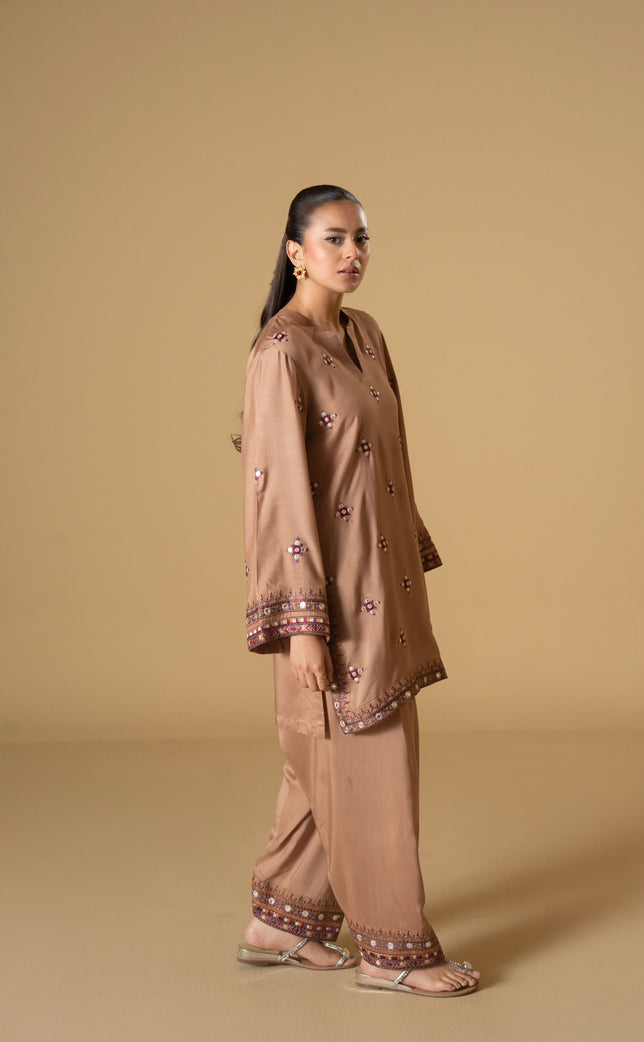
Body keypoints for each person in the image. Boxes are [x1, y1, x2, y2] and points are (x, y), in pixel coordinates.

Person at [234, 185, 480, 997]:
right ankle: (392, 952)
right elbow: (277, 494)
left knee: (324, 758)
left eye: (362, 239)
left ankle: (281, 922)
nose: (352, 254)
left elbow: (387, 458)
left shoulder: (365, 334)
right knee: (369, 765)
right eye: (334, 239)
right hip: (329, 601)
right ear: (296, 253)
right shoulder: (280, 354)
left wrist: (406, 558)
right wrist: (302, 624)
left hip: (382, 580)